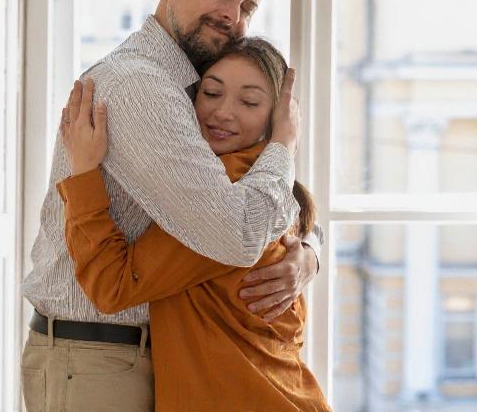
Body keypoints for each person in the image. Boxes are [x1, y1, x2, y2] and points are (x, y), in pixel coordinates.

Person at [18, 0, 322, 411]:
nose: (232, 15)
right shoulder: (144, 87)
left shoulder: (196, 93)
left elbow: (267, 210)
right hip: (100, 360)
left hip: (146, 357)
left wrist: (308, 251)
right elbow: (238, 234)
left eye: (247, 6)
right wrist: (284, 145)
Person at [57, 38, 328, 411]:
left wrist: (84, 173)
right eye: (212, 93)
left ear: (277, 120)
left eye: (249, 102)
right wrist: (313, 250)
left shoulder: (232, 194)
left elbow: (111, 285)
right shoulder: (276, 189)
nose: (223, 113)